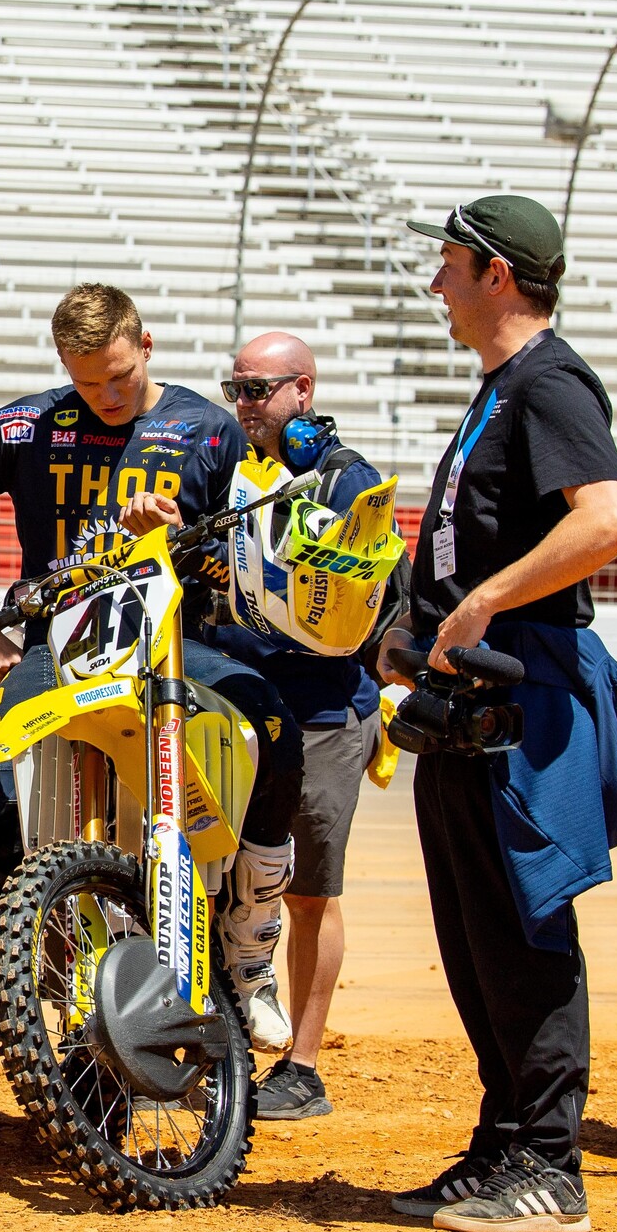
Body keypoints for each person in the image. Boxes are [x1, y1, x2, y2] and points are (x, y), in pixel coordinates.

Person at [0, 282, 305, 1169]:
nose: (104, 399)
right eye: (85, 383)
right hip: (60, 641)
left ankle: (249, 950)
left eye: (115, 378)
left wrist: (187, 533)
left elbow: (266, 534)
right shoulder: (31, 426)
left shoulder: (207, 430)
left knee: (275, 724)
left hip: (176, 640)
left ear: (145, 345)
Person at [380, 194, 617, 1232]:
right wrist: (404, 629)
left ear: (499, 274)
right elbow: (466, 537)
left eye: (451, 262)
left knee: (526, 928)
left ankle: (551, 1167)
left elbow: (608, 519)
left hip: (521, 696)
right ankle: (504, 1147)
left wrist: (490, 599)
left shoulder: (549, 379)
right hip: (468, 697)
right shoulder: (500, 388)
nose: (436, 281)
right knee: (475, 930)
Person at [208, 332, 397, 1119]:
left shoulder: (345, 477)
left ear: (304, 390)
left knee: (310, 890)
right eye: (237, 388)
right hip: (229, 701)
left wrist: (392, 689)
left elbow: (390, 592)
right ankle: (214, 1037)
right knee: (216, 879)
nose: (247, 404)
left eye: (262, 389)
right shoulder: (220, 467)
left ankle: (304, 1064)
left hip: (321, 712)